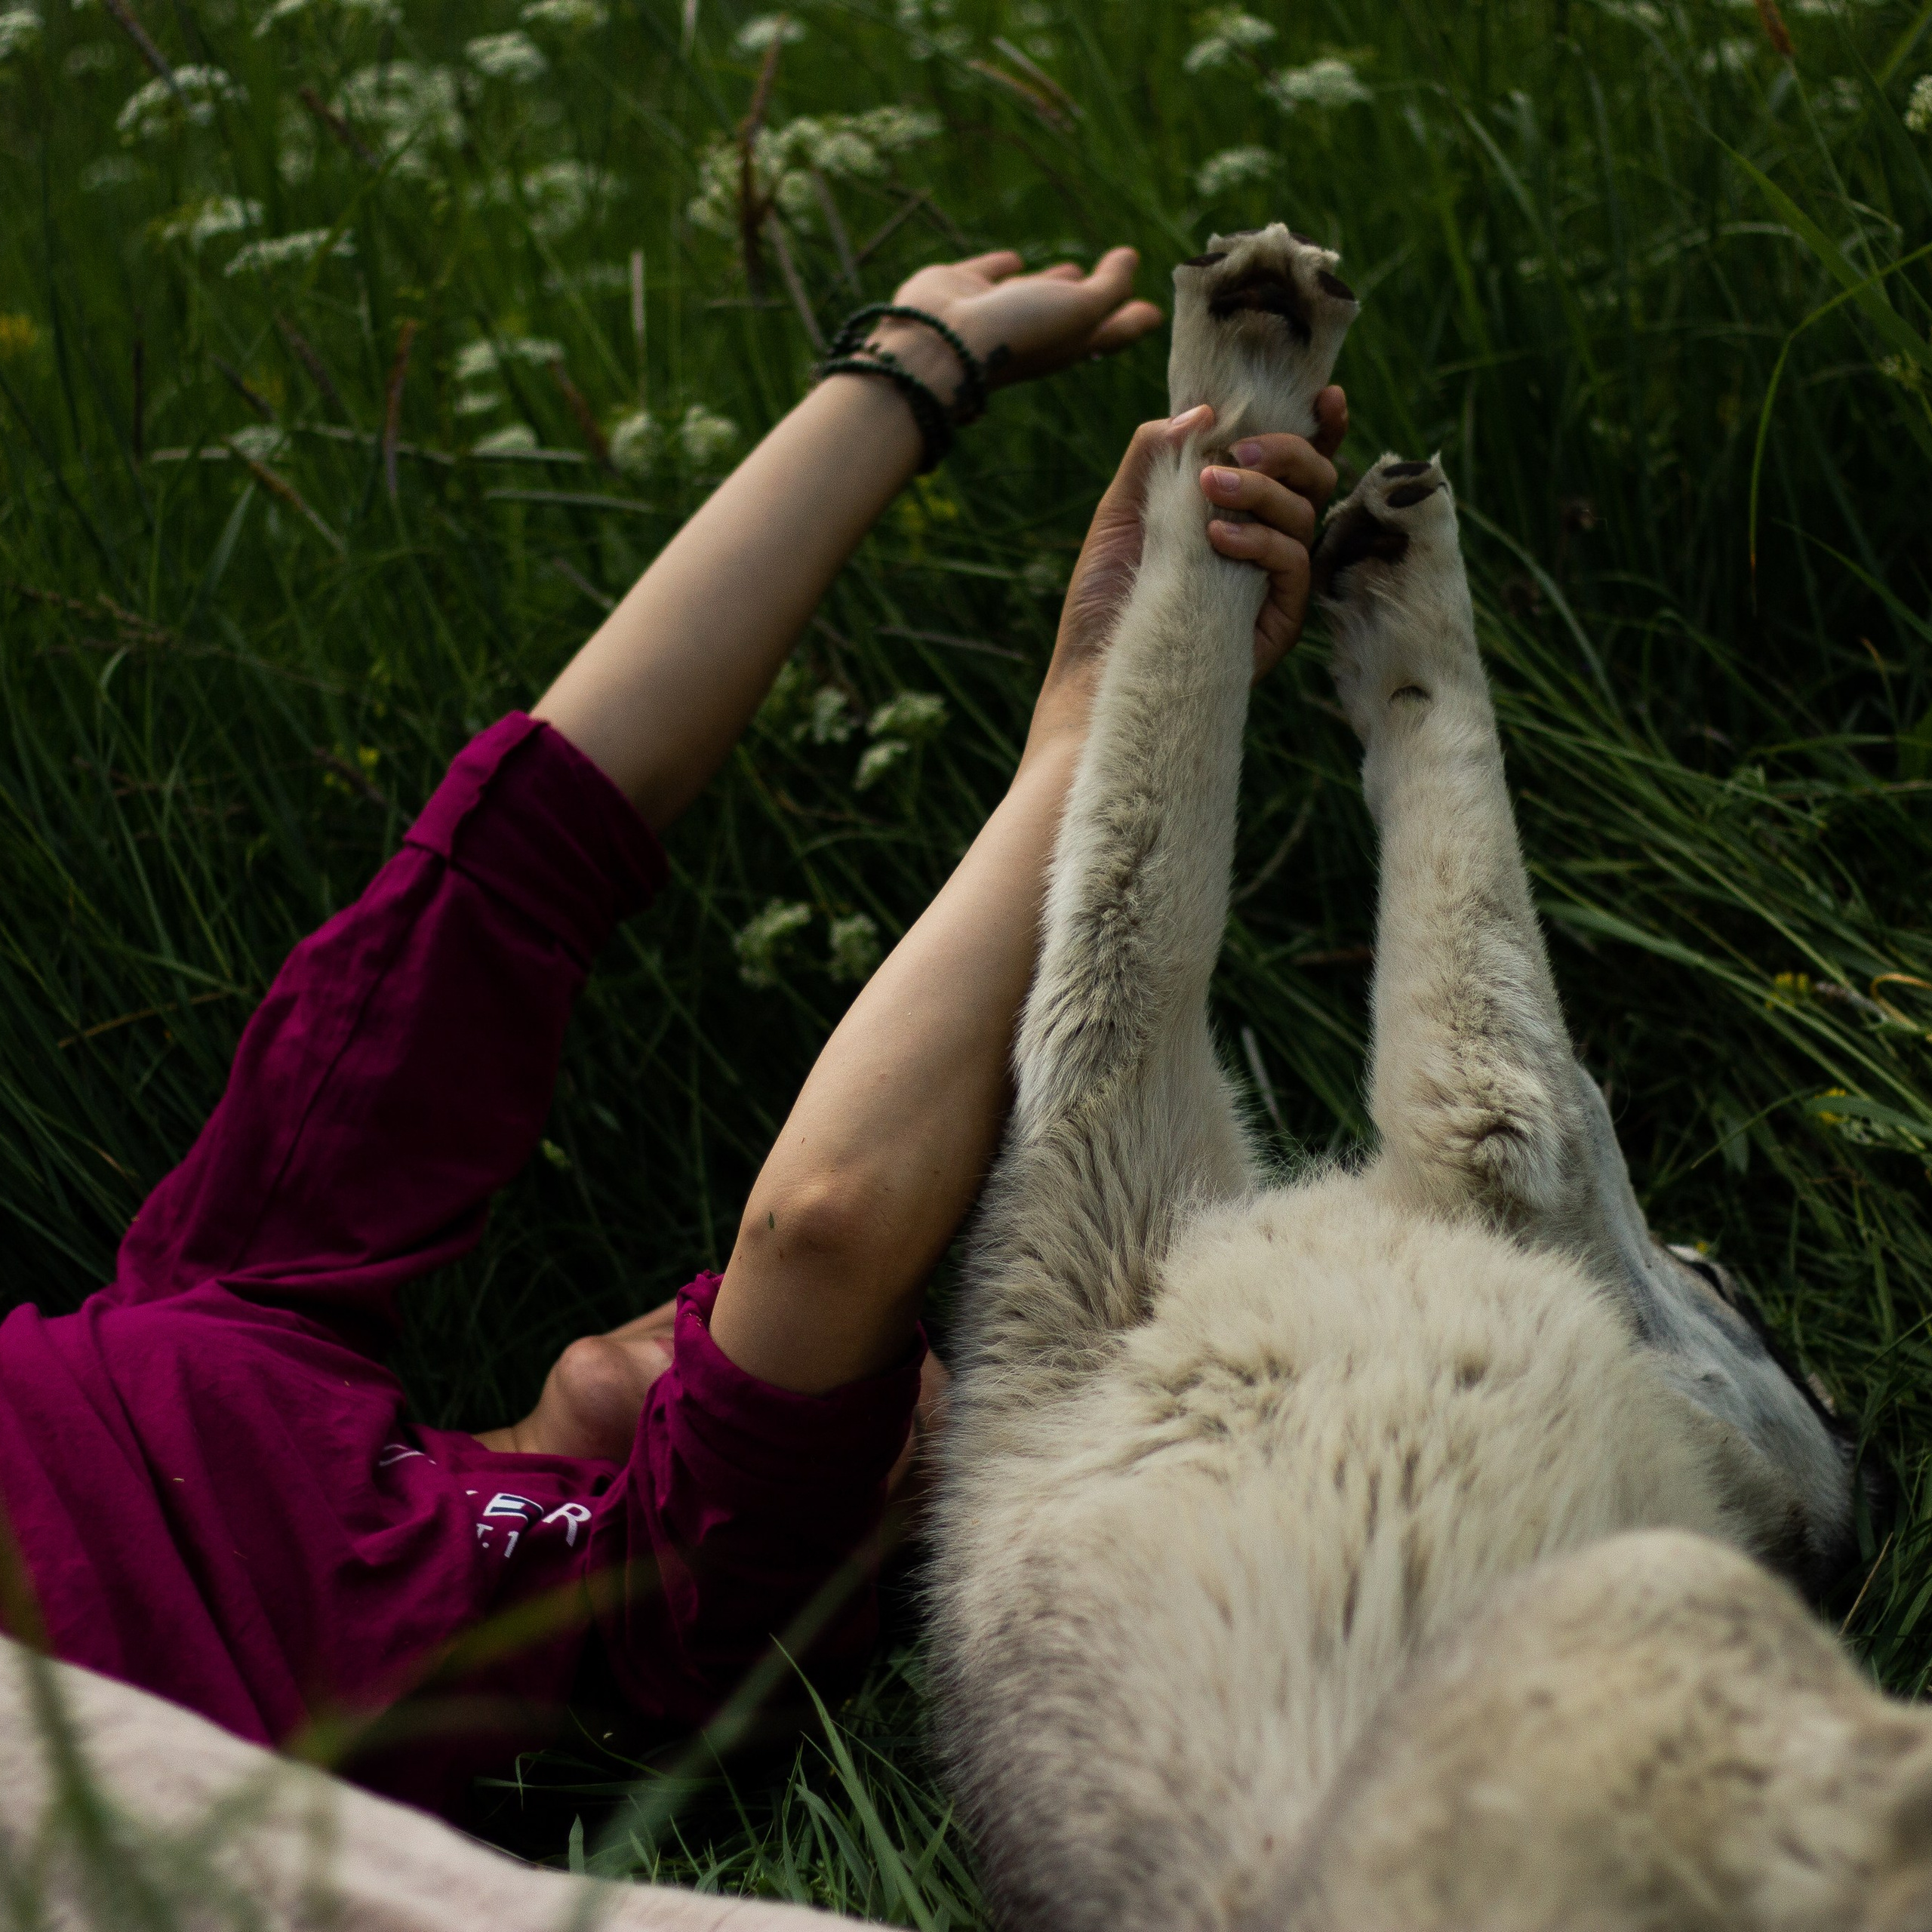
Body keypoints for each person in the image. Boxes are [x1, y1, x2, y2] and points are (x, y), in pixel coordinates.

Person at [0, 245, 1346, 1821]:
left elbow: (826, 1222)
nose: (703, 1307)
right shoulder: (243, 1294)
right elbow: (533, 840)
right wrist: (913, 368)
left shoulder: (623, 1631)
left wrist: (1109, 716)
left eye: (887, 1389)